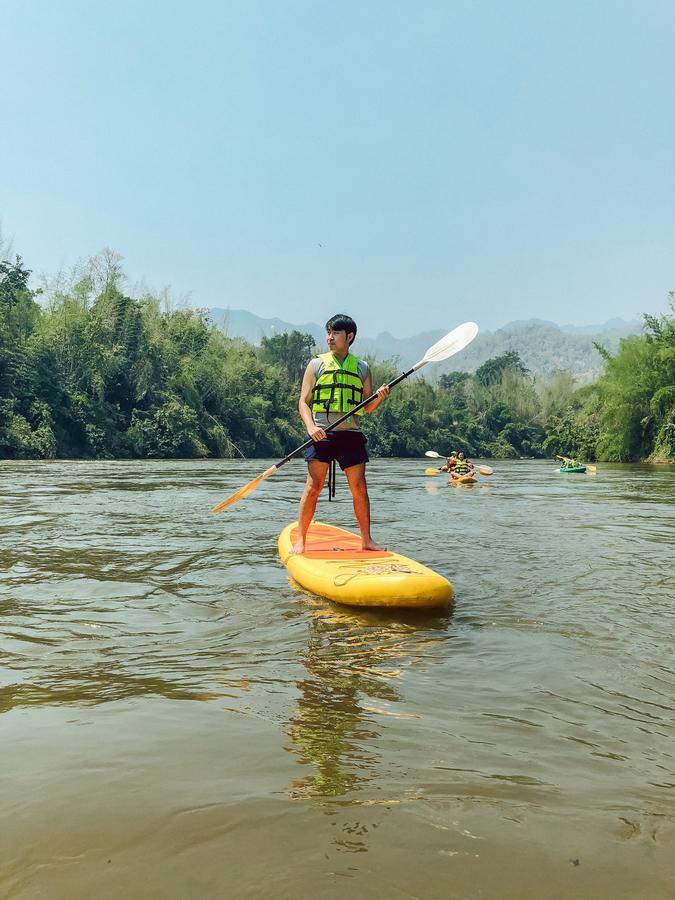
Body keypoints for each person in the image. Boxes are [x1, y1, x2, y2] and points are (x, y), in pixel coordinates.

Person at [291, 314, 390, 555]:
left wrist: (379, 397)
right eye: (328, 333)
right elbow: (303, 402)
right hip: (321, 434)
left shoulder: (362, 367)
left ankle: (366, 539)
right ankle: (301, 540)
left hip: (350, 434)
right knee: (313, 487)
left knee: (359, 488)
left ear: (349, 336)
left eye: (334, 333)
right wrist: (310, 428)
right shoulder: (316, 364)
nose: (329, 338)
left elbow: (367, 408)